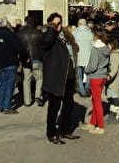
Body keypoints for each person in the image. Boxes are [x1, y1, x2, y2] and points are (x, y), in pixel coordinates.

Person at [41, 13, 80, 144]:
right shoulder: (49, 36)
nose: (59, 25)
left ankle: (65, 130)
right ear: (51, 24)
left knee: (69, 105)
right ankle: (51, 133)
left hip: (68, 77)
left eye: (60, 22)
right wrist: (52, 28)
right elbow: (46, 42)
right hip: (56, 78)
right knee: (54, 107)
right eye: (56, 23)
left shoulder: (66, 37)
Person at [0, 16, 30, 114]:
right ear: (6, 24)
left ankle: (1, 105)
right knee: (10, 85)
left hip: (0, 64)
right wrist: (26, 56)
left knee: (3, 84)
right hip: (10, 63)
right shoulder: (10, 34)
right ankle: (7, 106)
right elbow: (19, 47)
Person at [80, 27, 110, 135]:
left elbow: (92, 66)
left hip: (95, 76)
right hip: (102, 75)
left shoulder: (95, 49)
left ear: (96, 36)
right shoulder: (106, 48)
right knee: (95, 100)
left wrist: (86, 70)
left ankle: (100, 126)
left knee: (97, 102)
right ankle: (92, 123)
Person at [17, 15, 44, 106]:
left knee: (26, 80)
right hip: (38, 59)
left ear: (26, 22)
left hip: (26, 60)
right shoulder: (39, 33)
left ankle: (27, 101)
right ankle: (38, 95)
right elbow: (43, 47)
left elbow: (18, 48)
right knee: (39, 78)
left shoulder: (20, 33)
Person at [105, 37, 119, 124]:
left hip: (113, 81)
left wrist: (110, 75)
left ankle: (117, 117)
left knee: (115, 99)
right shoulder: (115, 54)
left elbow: (114, 68)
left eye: (108, 44)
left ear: (112, 45)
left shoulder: (114, 55)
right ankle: (112, 116)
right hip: (113, 81)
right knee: (112, 99)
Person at [73, 18, 93, 97]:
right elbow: (93, 45)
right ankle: (87, 87)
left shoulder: (74, 33)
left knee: (78, 75)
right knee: (88, 73)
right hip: (88, 56)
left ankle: (82, 91)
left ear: (78, 24)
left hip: (78, 56)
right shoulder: (90, 33)